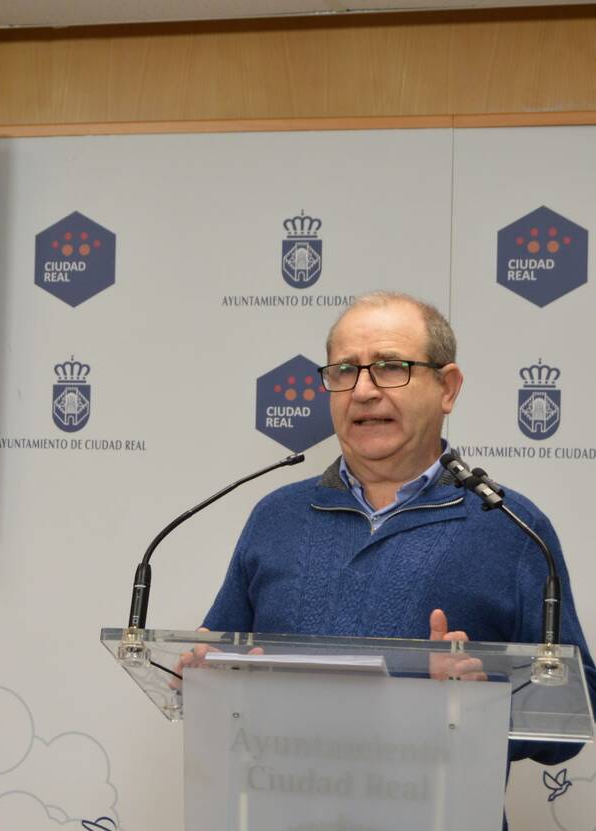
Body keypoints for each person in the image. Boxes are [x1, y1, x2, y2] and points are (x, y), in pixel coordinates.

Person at [190, 291, 594, 769]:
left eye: (389, 367)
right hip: (278, 797)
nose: (363, 391)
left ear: (447, 388)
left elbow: (574, 713)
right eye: (345, 370)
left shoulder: (511, 527)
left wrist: (480, 704)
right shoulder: (276, 515)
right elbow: (218, 659)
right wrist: (201, 673)